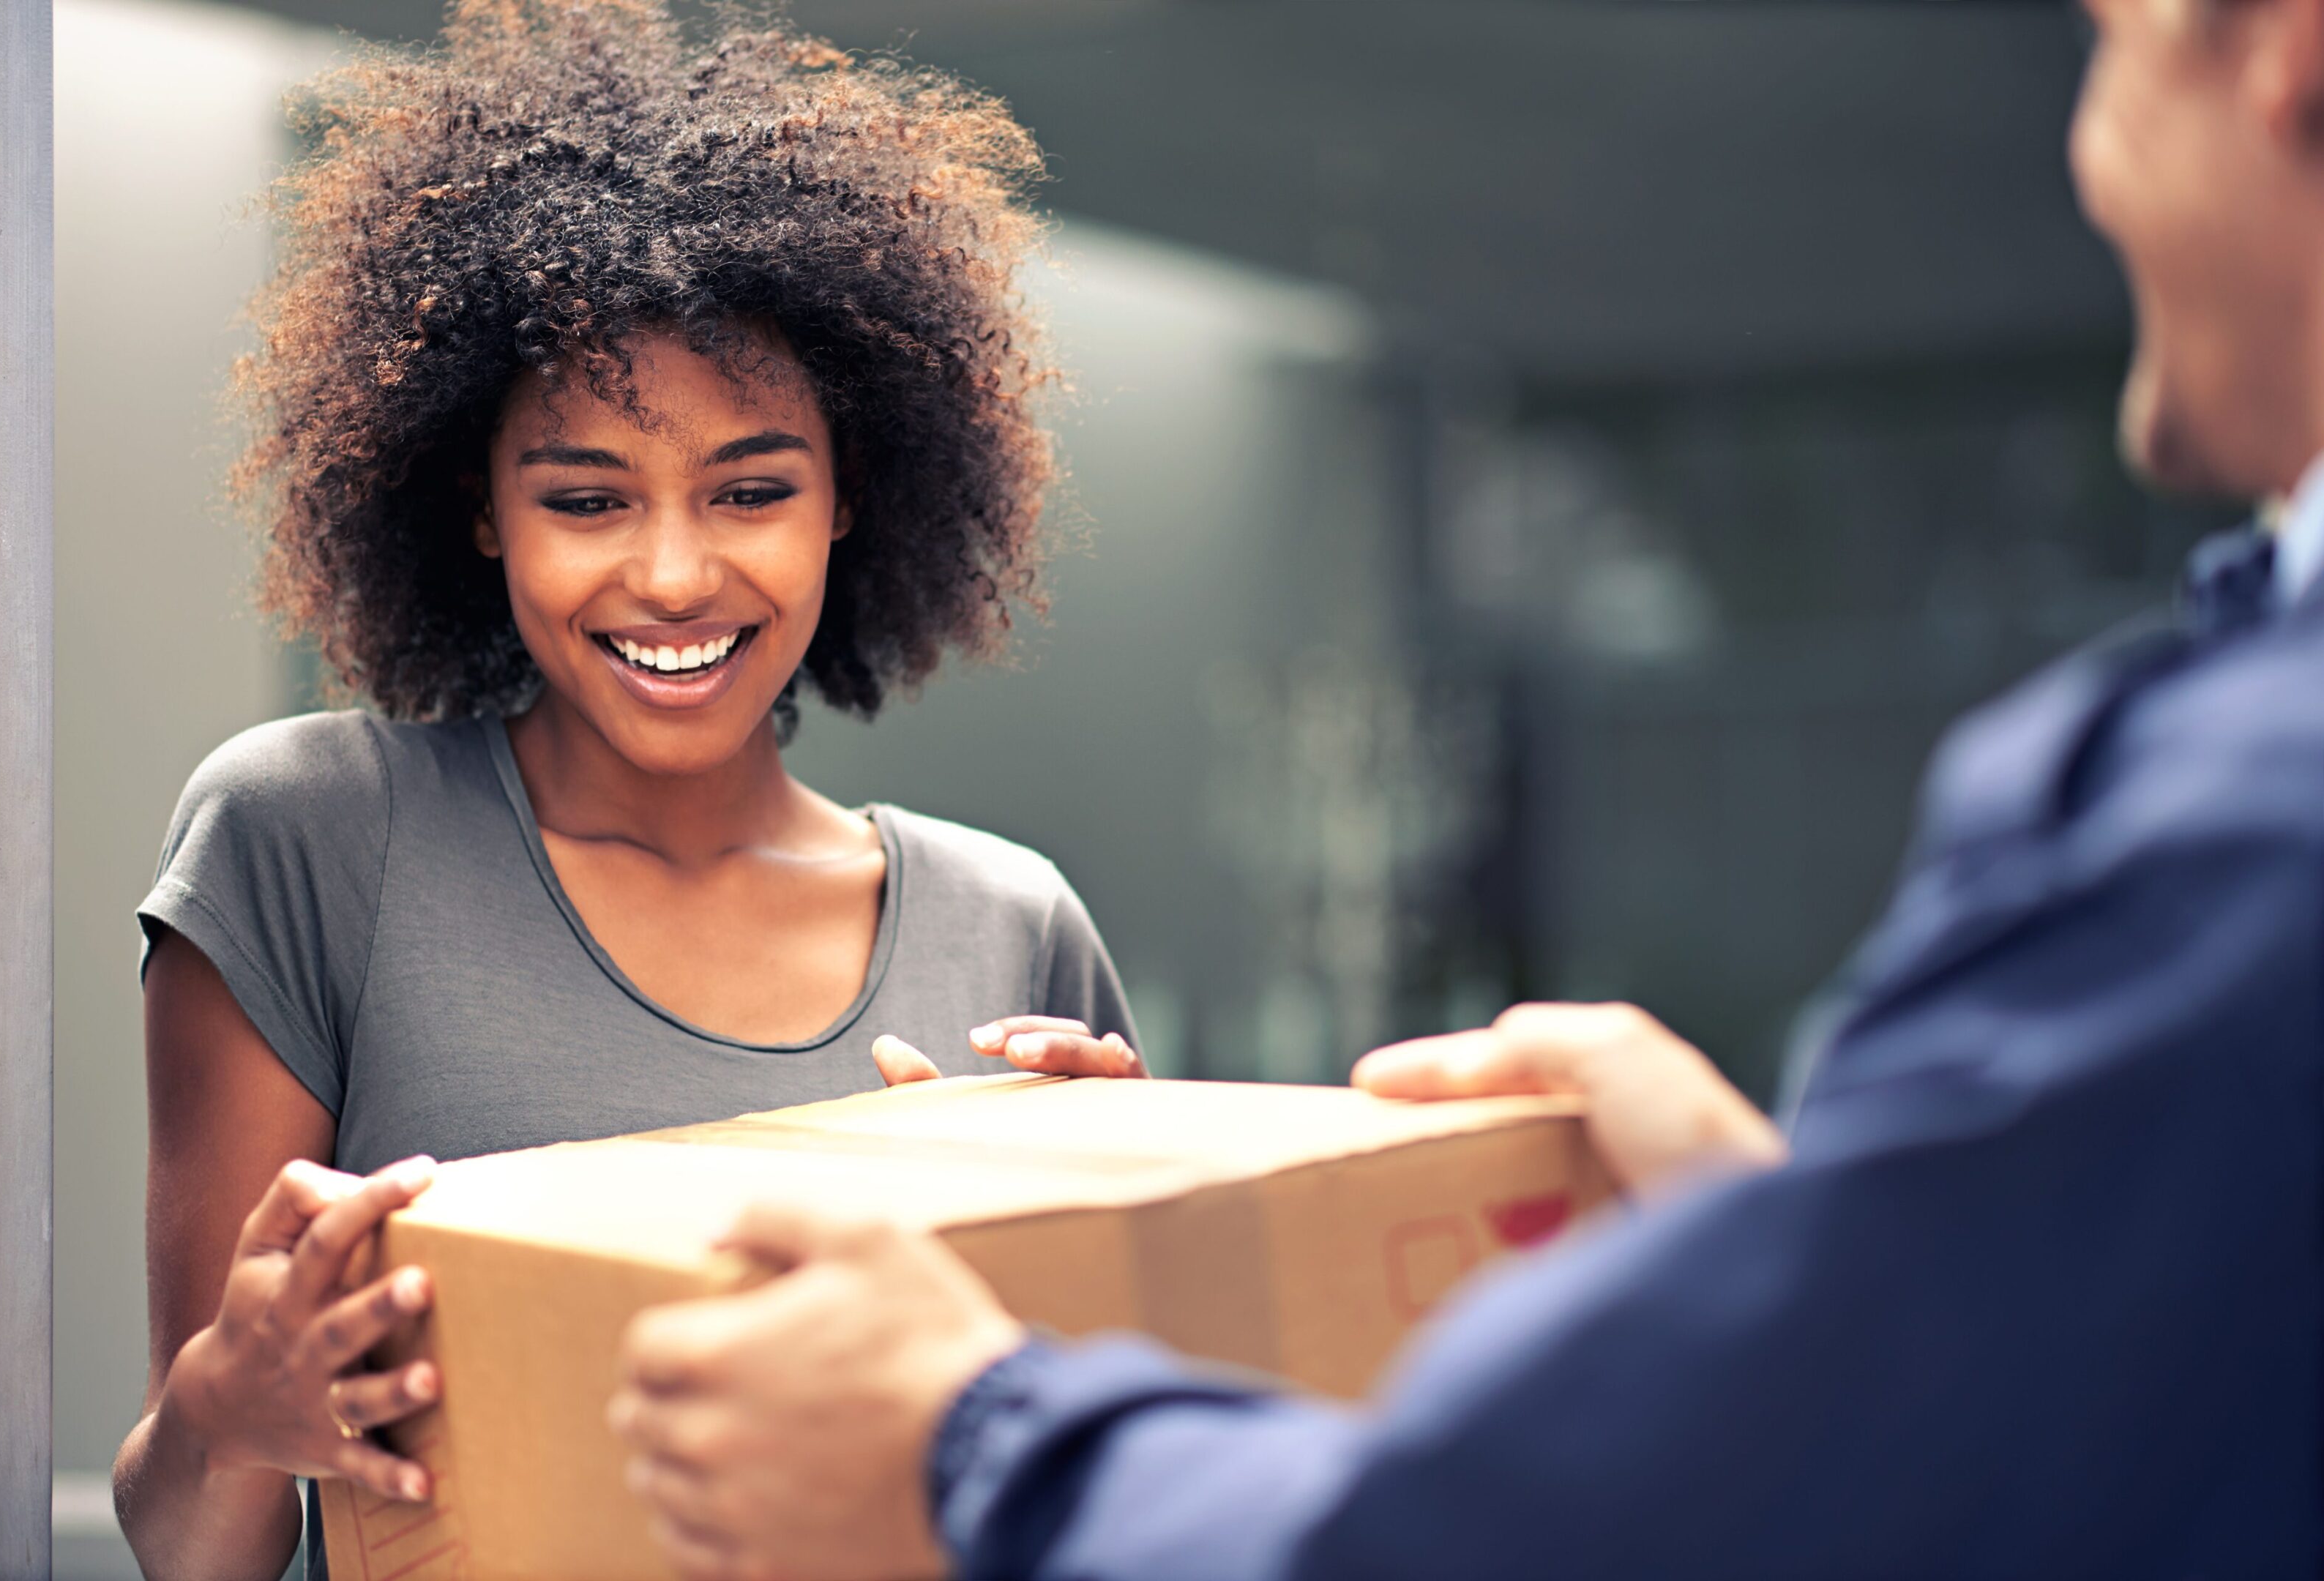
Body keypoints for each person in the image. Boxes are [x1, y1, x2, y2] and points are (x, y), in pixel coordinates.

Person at [604, 0, 2324, 1574]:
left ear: (2283, 54)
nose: (2092, 169)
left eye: (2113, 44)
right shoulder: (332, 846)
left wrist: (976, 1441)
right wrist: (1794, 1228)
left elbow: (1533, 1538)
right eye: (590, 496)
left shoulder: (2251, 815)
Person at [109, 8, 1146, 1580]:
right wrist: (230, 1407)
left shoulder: (1010, 925)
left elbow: (1084, 1507)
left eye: (752, 489)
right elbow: (193, 1550)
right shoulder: (311, 839)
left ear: (849, 497)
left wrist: (1141, 1230)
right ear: (476, 507)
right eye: (586, 498)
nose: (672, 575)